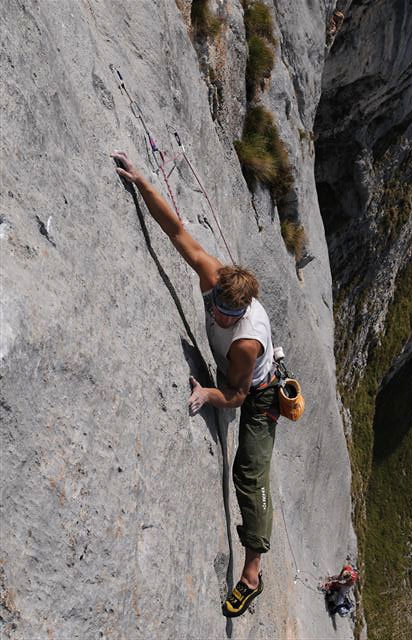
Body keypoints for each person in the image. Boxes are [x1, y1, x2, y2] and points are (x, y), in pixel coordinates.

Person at [111, 151, 281, 617]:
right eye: (216, 307)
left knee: (249, 474)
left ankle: (252, 573)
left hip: (259, 391)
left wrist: (209, 394)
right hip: (238, 377)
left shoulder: (248, 342)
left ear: (242, 311)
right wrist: (143, 184)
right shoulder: (213, 276)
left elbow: (240, 395)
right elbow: (177, 232)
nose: (218, 316)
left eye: (227, 313)